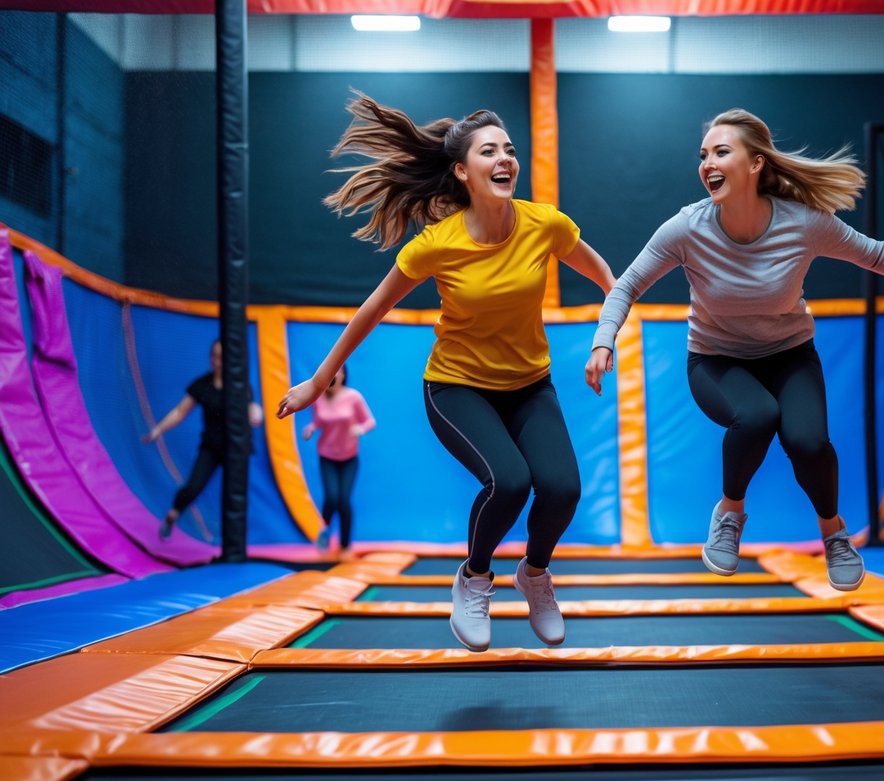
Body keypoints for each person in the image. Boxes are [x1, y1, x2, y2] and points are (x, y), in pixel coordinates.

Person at [585, 108, 884, 591]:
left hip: (788, 354)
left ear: (757, 163)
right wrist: (603, 340)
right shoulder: (686, 229)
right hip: (716, 361)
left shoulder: (804, 223)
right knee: (758, 415)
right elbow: (627, 286)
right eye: (703, 155)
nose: (707, 163)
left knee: (808, 442)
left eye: (722, 152)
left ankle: (833, 533)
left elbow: (880, 255)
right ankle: (730, 512)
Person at [276, 94, 615, 652]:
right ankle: (474, 578)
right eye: (489, 151)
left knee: (562, 488)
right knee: (510, 481)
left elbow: (607, 277)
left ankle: (534, 575)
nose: (505, 158)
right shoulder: (437, 244)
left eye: (509, 149)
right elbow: (370, 312)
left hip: (529, 384)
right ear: (463, 171)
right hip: (456, 388)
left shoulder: (545, 225)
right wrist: (318, 381)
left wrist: (606, 336)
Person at [145, 338, 264, 539]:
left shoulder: (239, 384)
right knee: (193, 486)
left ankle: (234, 542)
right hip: (211, 446)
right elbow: (180, 412)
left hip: (236, 448)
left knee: (234, 497)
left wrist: (256, 414)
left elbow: (252, 406)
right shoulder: (202, 385)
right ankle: (173, 513)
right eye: (214, 356)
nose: (217, 361)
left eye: (222, 357)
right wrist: (159, 429)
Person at [301, 364, 375, 556]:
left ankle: (345, 545)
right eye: (330, 373)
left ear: (343, 376)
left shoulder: (353, 397)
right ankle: (324, 533)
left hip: (349, 457)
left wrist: (360, 429)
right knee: (331, 497)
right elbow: (319, 420)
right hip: (327, 456)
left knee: (343, 499)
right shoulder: (319, 398)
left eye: (337, 372)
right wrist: (311, 428)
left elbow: (369, 421)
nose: (334, 376)